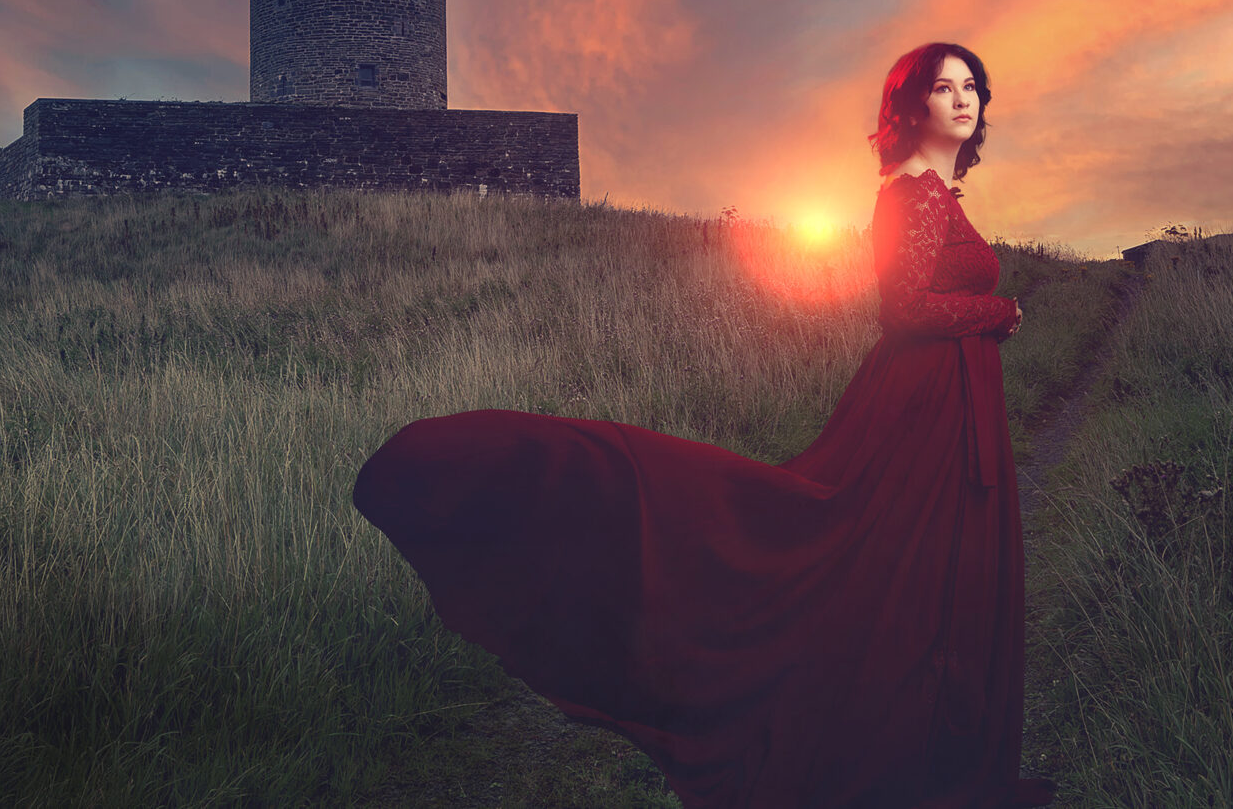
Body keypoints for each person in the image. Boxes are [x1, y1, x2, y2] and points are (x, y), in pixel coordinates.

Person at [352, 41, 1057, 807]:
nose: (963, 98)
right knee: (875, 562)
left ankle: (931, 755)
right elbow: (906, 308)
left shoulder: (940, 197)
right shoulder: (913, 194)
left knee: (930, 574)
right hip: (921, 408)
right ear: (910, 105)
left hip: (951, 403)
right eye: (943, 86)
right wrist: (1002, 311)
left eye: (972, 86)